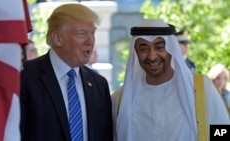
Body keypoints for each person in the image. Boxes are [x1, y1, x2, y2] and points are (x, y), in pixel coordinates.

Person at [111, 19, 230, 141]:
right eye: (144, 49)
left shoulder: (202, 91)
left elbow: (222, 133)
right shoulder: (120, 99)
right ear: (135, 52)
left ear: (171, 49)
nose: (152, 56)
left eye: (159, 47)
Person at [20, 3, 113, 141]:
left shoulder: (99, 84)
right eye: (82, 34)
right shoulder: (24, 77)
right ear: (58, 38)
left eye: (92, 33)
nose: (90, 41)